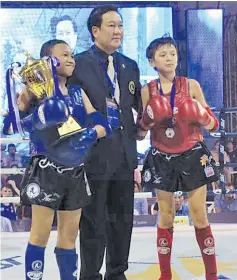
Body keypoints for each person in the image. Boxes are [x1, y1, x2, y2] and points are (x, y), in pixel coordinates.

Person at [17, 39, 111, 280]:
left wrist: (90, 134)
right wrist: (39, 115)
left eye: (72, 55)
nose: (71, 59)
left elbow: (103, 122)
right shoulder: (33, 91)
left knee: (69, 237)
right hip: (47, 168)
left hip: (75, 170)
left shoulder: (79, 93)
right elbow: (13, 125)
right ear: (49, 60)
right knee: (40, 234)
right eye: (65, 54)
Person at [137, 35, 219, 280]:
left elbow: (214, 125)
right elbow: (141, 131)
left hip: (193, 154)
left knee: (199, 214)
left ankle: (212, 275)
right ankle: (165, 275)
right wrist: (147, 120)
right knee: (166, 215)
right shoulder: (147, 90)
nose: (169, 58)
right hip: (162, 156)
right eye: (162, 55)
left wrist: (203, 117)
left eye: (172, 53)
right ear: (152, 61)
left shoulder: (190, 85)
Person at [68, 5, 141, 280]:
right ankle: (89, 275)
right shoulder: (78, 64)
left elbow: (134, 109)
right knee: (93, 221)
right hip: (92, 156)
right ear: (95, 30)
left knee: (123, 221)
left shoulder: (129, 66)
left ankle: (117, 273)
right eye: (111, 25)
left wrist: (144, 128)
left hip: (124, 155)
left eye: (120, 25)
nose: (118, 31)